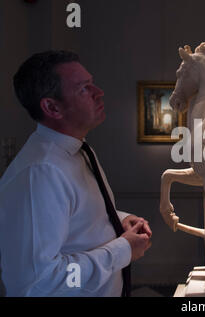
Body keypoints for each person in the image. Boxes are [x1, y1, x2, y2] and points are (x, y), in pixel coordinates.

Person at [0, 50, 152, 296]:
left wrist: (117, 220)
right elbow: (37, 284)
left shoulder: (79, 150)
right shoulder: (41, 173)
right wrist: (122, 250)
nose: (98, 92)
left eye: (91, 83)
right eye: (84, 88)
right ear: (52, 107)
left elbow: (73, 219)